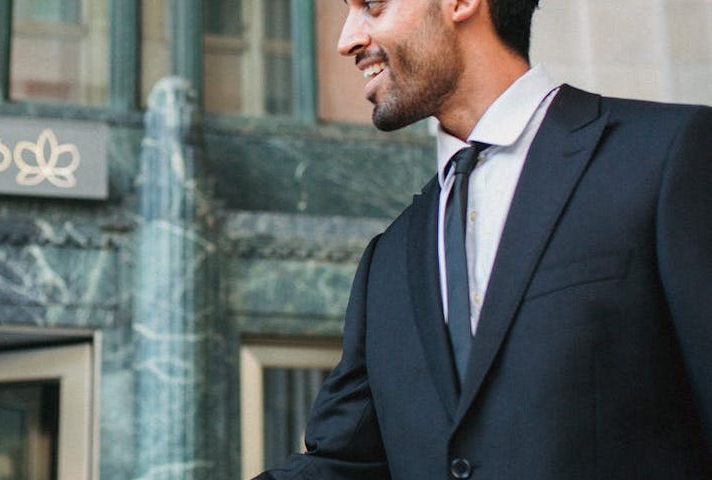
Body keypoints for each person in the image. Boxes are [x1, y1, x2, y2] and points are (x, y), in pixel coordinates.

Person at [256, 0, 712, 479]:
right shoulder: (387, 262)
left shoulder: (669, 158)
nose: (346, 39)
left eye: (372, 5)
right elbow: (342, 465)